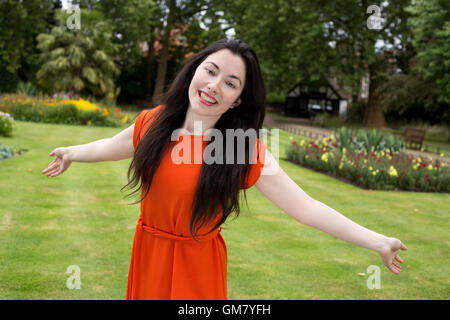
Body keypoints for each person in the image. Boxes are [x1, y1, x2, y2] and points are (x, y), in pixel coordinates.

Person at [41, 38, 407, 300]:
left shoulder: (241, 151)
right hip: (148, 253)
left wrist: (378, 242)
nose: (214, 86)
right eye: (210, 71)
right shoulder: (153, 123)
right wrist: (72, 151)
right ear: (194, 71)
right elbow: (113, 146)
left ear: (239, 99)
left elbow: (307, 209)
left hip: (196, 266)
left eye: (230, 83)